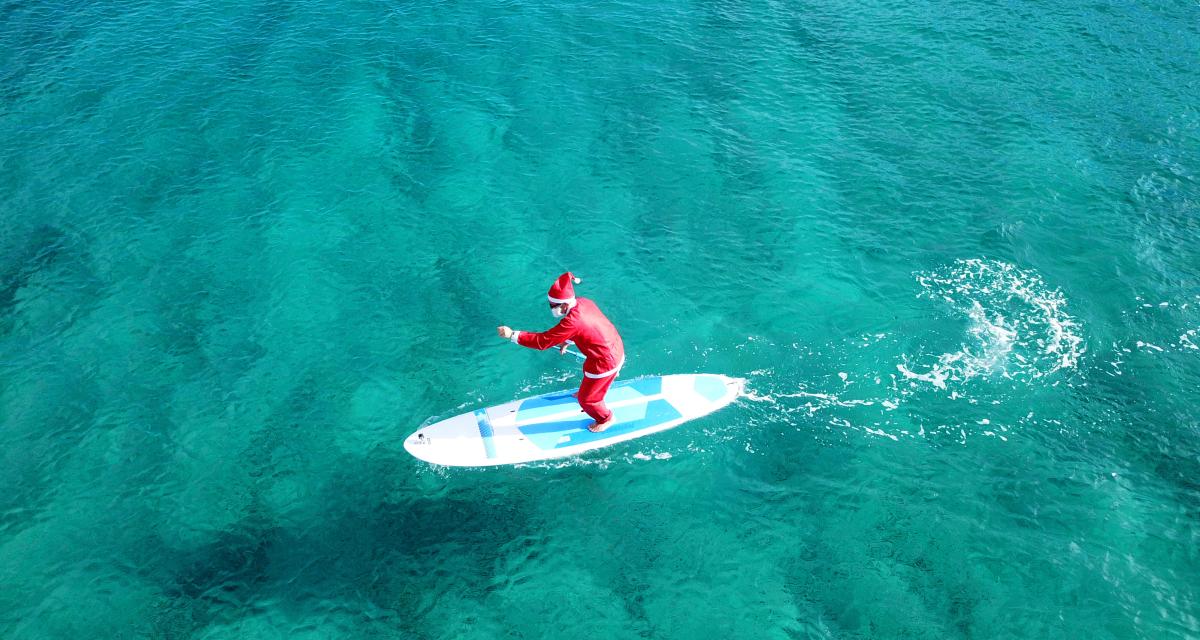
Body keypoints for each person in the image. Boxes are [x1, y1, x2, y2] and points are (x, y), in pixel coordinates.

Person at [497, 272, 626, 432]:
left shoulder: (572, 322)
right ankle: (606, 379)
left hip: (605, 361)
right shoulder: (583, 302)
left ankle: (606, 418)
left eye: (553, 306)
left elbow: (543, 341)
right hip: (615, 347)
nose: (552, 309)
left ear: (564, 305)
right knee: (588, 372)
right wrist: (568, 340)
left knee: (587, 400)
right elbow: (589, 327)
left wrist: (512, 335)